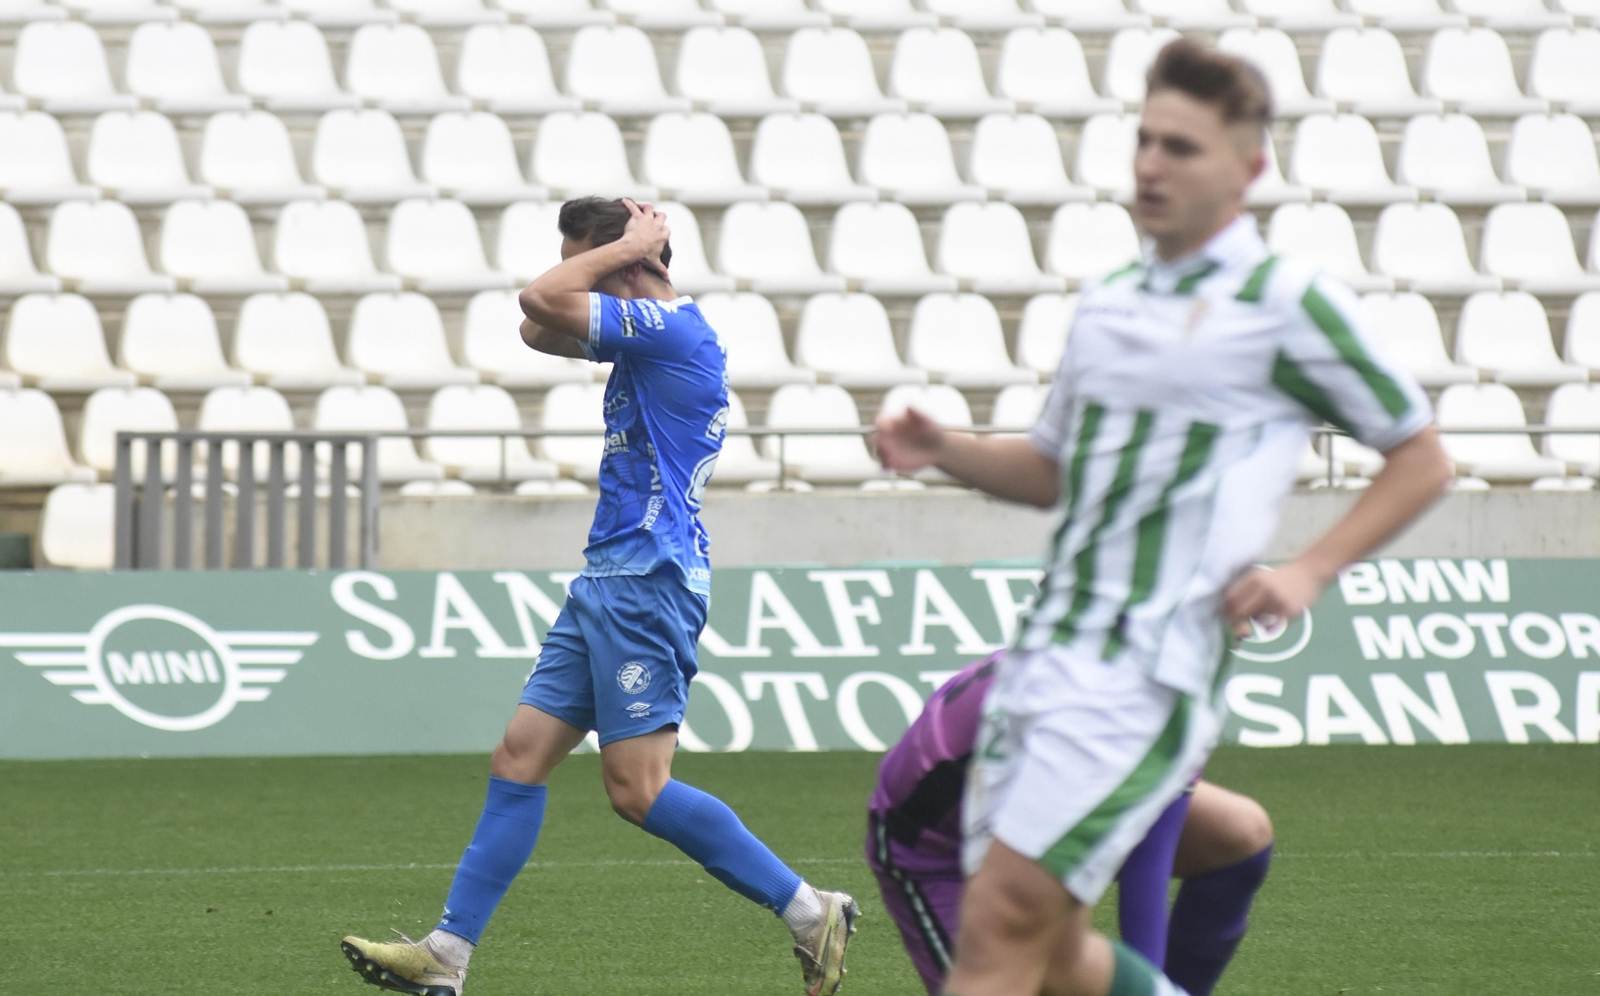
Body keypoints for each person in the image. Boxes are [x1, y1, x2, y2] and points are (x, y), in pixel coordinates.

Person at [873, 38, 1452, 996]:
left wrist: (1309, 570)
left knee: (999, 934)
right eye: (1144, 140)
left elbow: (1421, 455)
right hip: (1044, 659)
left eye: (1181, 147)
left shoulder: (1287, 303)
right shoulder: (1108, 303)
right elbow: (1053, 473)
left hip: (1145, 671)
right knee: (1049, 952)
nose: (1150, 164)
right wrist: (947, 449)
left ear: (1248, 167)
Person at [340, 197, 858, 996]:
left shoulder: (674, 332)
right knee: (519, 756)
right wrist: (609, 258)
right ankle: (448, 954)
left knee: (637, 790)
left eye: (587, 259)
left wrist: (633, 248)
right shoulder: (642, 342)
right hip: (609, 580)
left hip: (648, 581)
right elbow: (537, 326)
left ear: (625, 265)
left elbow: (540, 301)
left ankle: (807, 909)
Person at [868, 654, 1274, 996]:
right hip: (934, 847)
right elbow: (1116, 874)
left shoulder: (1166, 674)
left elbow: (1151, 840)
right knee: (1036, 964)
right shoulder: (1091, 701)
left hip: (1027, 811)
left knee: (1241, 832)